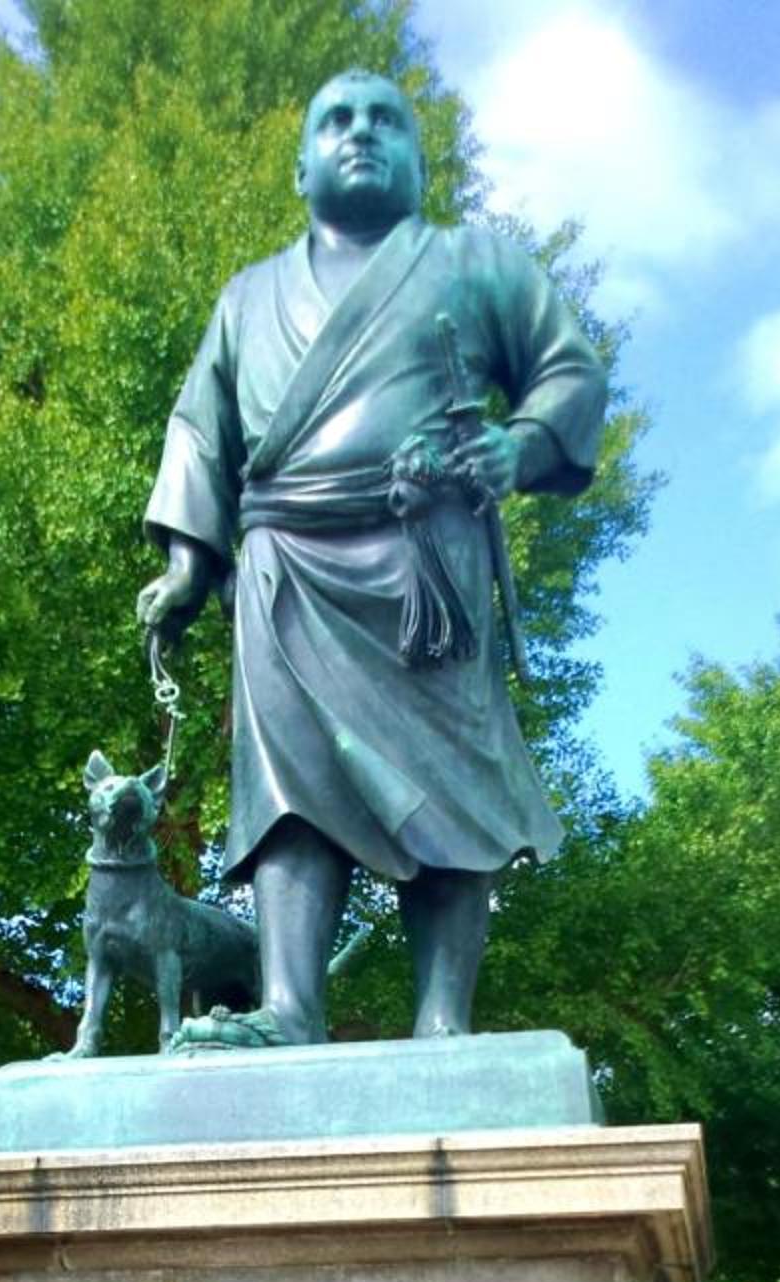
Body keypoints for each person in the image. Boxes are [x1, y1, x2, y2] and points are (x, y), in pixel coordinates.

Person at [137, 69, 609, 1048]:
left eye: (386, 120)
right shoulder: (248, 296)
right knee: (290, 788)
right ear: (301, 165)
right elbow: (200, 428)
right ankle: (289, 1007)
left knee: (451, 781)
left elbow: (569, 368)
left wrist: (520, 446)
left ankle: (444, 1023)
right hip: (285, 566)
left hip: (427, 561)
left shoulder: (474, 264)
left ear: (420, 161)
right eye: (338, 121)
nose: (361, 133)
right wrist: (188, 559)